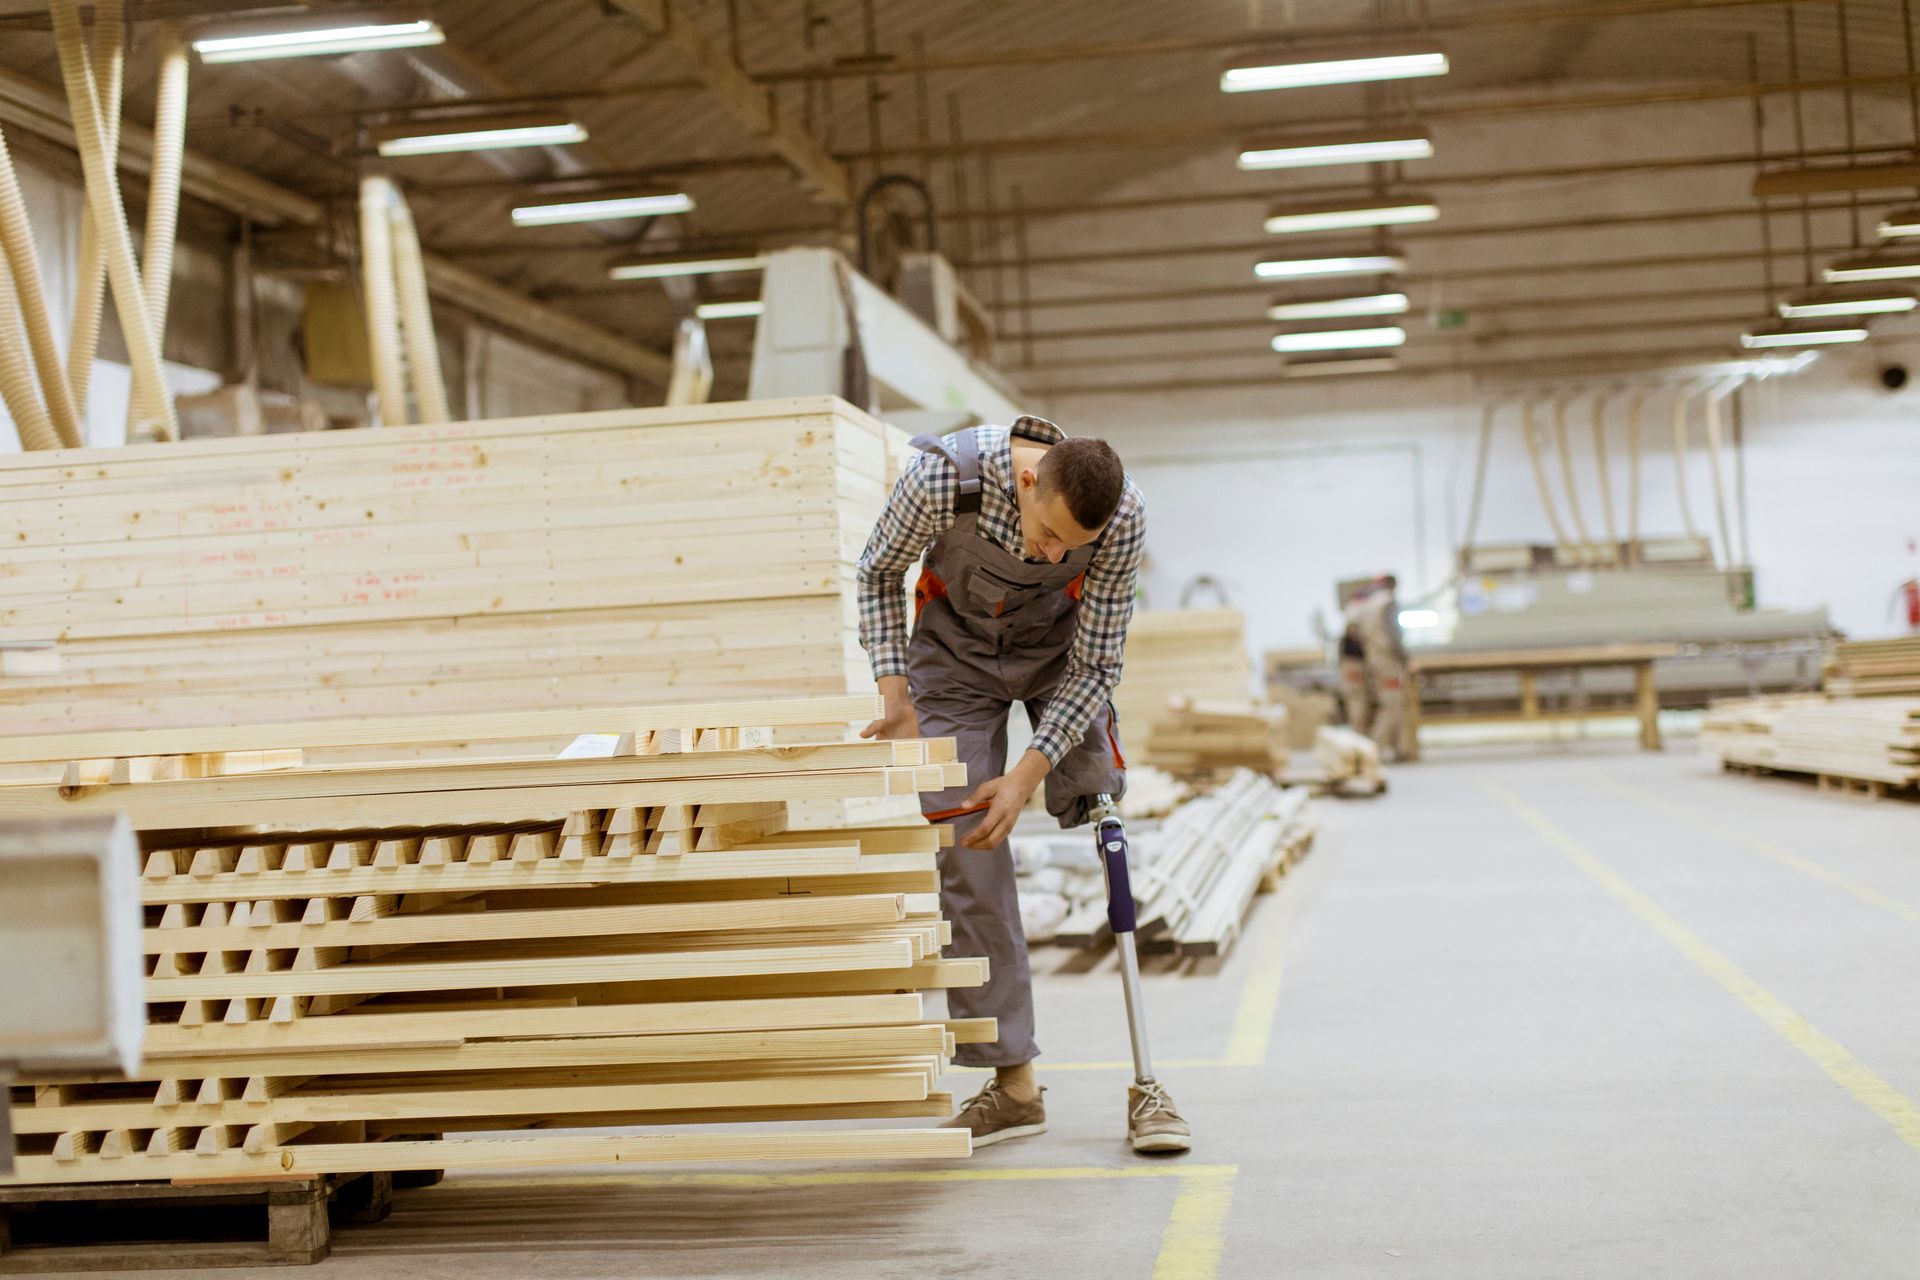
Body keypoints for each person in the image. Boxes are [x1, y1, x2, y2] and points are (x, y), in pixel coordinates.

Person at [855, 415, 1191, 1154]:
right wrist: (894, 688)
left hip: (1059, 655)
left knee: (1102, 806)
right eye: (1049, 535)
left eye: (1073, 546)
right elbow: (878, 571)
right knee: (967, 838)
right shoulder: (944, 478)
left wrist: (1030, 772)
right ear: (1028, 480)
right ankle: (1014, 1087)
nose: (1056, 553)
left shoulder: (1124, 516)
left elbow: (1098, 666)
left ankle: (1148, 1083)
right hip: (953, 652)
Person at [1355, 574, 1410, 761]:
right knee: (1392, 706)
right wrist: (1405, 659)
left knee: (1387, 704)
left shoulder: (1368, 605)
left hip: (1375, 660)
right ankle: (1374, 749)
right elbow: (1394, 635)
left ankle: (1392, 748)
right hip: (1389, 662)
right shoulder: (1387, 603)